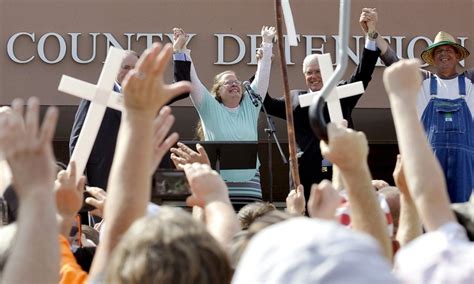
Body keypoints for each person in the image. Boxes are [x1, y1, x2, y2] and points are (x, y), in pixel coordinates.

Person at [260, 9, 385, 200]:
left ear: (328, 72)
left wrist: (371, 33)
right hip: (305, 179)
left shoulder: (342, 94)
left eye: (318, 71)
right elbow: (264, 103)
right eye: (309, 72)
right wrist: (264, 62)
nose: (314, 76)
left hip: (340, 176)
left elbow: (364, 72)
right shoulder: (295, 99)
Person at [363, 8, 473, 203]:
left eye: (448, 50)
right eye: (439, 51)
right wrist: (372, 31)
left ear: (457, 56)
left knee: (465, 215)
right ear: (433, 58)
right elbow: (392, 60)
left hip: (466, 164)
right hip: (429, 161)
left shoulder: (470, 81)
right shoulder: (422, 80)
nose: (444, 54)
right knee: (428, 212)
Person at [172, 26, 276, 209]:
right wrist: (181, 51)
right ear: (218, 91)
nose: (234, 83)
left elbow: (262, 77)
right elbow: (192, 80)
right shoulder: (209, 107)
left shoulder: (250, 106)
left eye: (236, 81)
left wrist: (267, 44)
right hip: (220, 187)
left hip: (250, 189)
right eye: (228, 82)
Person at [69, 50, 189, 191]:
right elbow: (78, 139)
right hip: (103, 178)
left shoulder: (148, 97)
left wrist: (179, 51)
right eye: (125, 67)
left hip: (144, 180)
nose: (130, 72)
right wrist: (77, 178)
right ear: (114, 70)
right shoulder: (97, 96)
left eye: (135, 68)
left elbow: (182, 88)